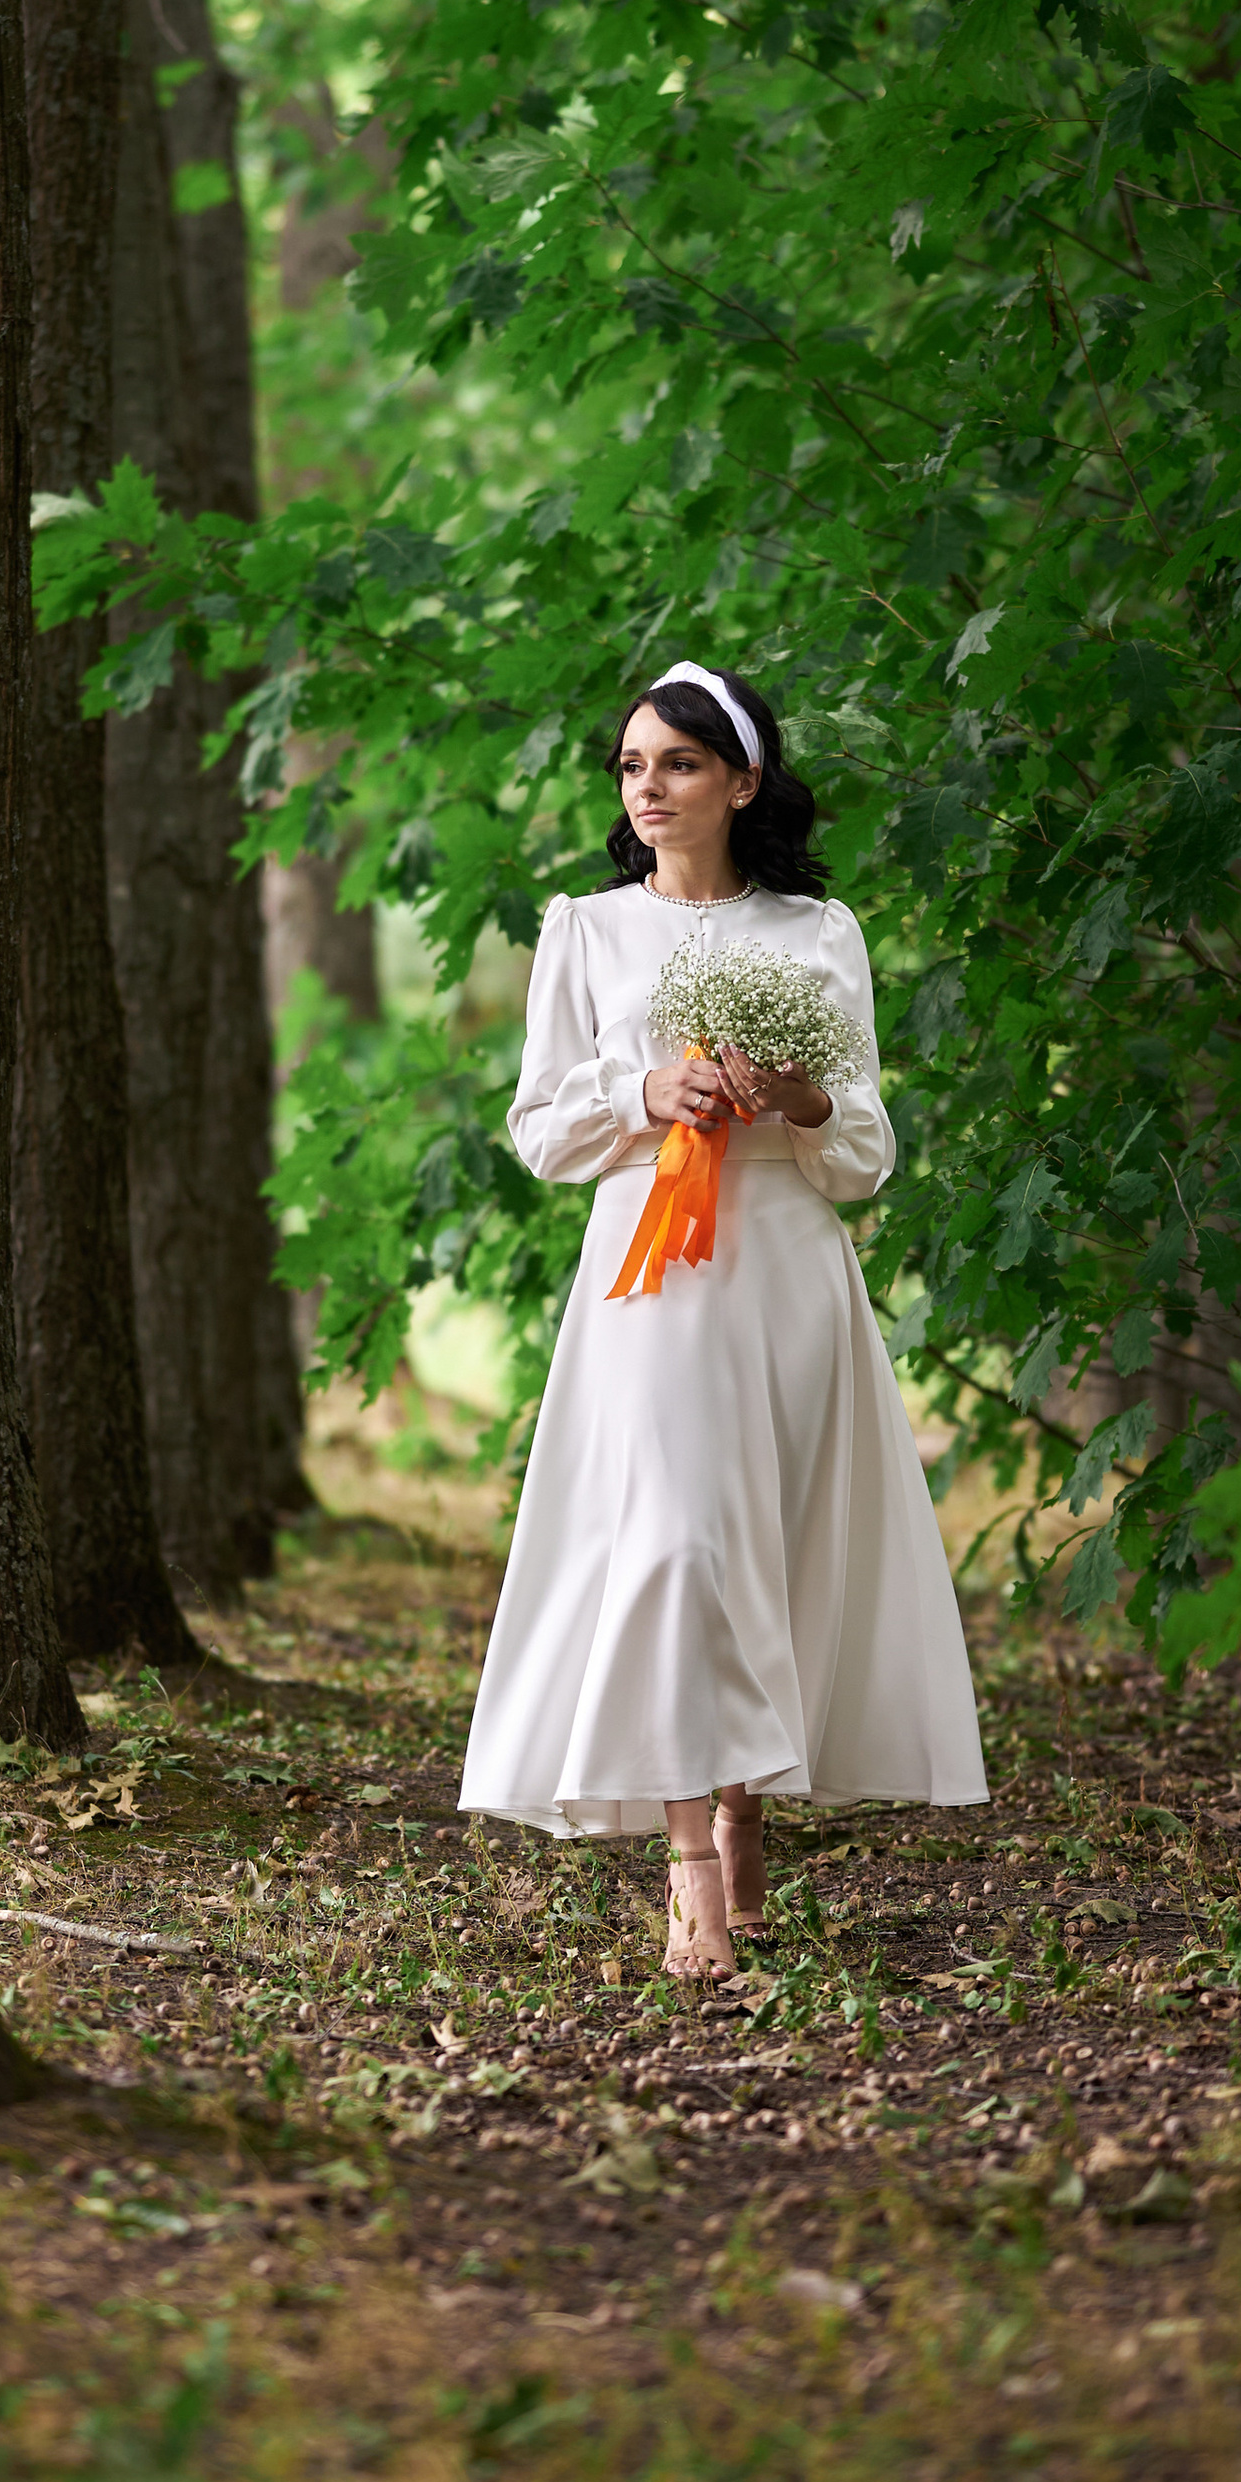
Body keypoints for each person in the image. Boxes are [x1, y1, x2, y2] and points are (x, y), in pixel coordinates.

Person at [458, 660, 986, 1977]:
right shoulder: (584, 930)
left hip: (788, 1274)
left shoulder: (820, 935)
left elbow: (863, 1150)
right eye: (633, 766)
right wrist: (648, 1091)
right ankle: (689, 1849)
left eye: (679, 764)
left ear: (742, 782)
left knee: (770, 1544)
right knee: (672, 1542)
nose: (649, 789)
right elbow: (538, 1129)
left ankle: (750, 1799)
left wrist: (795, 1097)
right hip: (649, 1278)